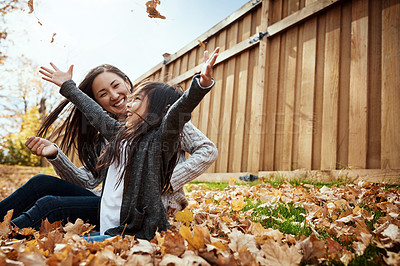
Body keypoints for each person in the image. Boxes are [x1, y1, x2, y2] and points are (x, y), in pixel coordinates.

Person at [0, 61, 217, 230]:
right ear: (96, 101)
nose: (114, 96)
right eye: (103, 94)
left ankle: (9, 232)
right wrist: (56, 155)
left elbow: (207, 149)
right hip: (111, 203)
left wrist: (163, 181)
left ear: (126, 81)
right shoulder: (111, 132)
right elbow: (87, 181)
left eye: (115, 86)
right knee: (40, 183)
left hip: (148, 207)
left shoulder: (162, 123)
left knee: (49, 205)